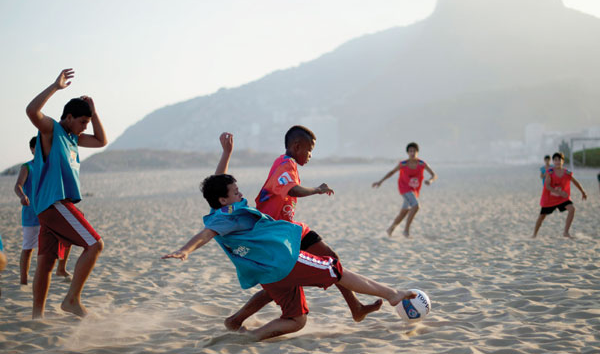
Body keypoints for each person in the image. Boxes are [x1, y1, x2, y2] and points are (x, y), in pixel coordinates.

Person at [162, 133, 416, 341]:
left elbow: (219, 183)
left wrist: (226, 154)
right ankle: (391, 294)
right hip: (282, 254)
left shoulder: (219, 210)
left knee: (297, 319)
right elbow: (204, 234)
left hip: (268, 265)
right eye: (236, 192)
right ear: (224, 199)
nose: (241, 194)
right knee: (335, 269)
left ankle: (246, 335)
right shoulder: (226, 215)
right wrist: (186, 249)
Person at [227, 126, 382, 330]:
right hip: (274, 237)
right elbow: (293, 189)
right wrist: (317, 189)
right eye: (309, 150)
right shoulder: (284, 163)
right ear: (297, 146)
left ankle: (356, 308)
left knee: (330, 258)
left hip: (289, 231)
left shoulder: (288, 165)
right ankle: (235, 320)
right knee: (283, 285)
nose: (310, 155)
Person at [26, 69, 106, 318]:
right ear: (68, 117)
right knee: (94, 244)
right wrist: (54, 87)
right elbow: (31, 111)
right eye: (82, 122)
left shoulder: (74, 138)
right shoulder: (52, 130)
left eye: (86, 123)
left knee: (46, 264)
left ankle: (37, 317)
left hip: (48, 208)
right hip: (54, 203)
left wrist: (93, 113)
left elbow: (101, 141)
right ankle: (72, 300)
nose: (84, 128)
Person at [14, 137, 71, 285]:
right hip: (31, 214)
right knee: (28, 249)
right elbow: (18, 185)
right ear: (32, 150)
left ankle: (61, 268)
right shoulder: (27, 167)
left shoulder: (50, 166)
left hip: (50, 212)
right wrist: (22, 196)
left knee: (66, 237)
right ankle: (23, 282)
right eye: (38, 148)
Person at [372, 142, 437, 237]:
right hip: (404, 188)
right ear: (407, 153)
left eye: (414, 151)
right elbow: (391, 172)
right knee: (416, 206)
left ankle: (390, 229)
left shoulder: (421, 163)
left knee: (404, 211)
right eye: (410, 151)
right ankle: (406, 231)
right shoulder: (403, 164)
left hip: (414, 190)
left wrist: (430, 181)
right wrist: (380, 181)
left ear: (417, 152)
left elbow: (434, 175)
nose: (412, 153)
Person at [532, 152, 587, 238]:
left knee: (572, 209)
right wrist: (560, 192)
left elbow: (575, 182)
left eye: (559, 160)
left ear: (563, 161)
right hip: (550, 198)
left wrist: (583, 192)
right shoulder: (550, 172)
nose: (557, 162)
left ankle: (566, 232)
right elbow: (547, 186)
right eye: (555, 160)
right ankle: (534, 234)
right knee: (541, 216)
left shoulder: (567, 172)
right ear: (553, 162)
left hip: (562, 198)